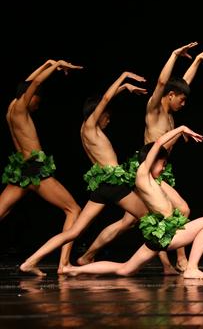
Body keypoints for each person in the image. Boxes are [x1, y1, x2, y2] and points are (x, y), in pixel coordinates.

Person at [77, 42, 203, 271]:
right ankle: (180, 259)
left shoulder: (170, 112)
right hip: (148, 171)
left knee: (128, 222)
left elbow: (183, 83)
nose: (183, 104)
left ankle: (88, 256)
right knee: (180, 210)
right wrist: (174, 54)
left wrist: (196, 61)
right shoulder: (154, 109)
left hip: (159, 170)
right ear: (170, 96)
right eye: (181, 99)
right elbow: (163, 83)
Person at [19, 71, 177, 275]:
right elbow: (105, 99)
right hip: (113, 184)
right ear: (97, 114)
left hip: (102, 186)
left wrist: (123, 89)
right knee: (153, 216)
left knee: (75, 231)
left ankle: (30, 262)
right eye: (107, 116)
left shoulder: (84, 129)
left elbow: (104, 100)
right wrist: (123, 77)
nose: (108, 121)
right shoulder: (90, 126)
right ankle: (160, 264)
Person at [62, 125, 203, 280]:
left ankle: (73, 270)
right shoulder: (143, 175)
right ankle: (191, 268)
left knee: (124, 269)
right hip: (167, 235)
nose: (164, 168)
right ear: (151, 161)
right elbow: (159, 143)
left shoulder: (154, 181)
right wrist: (182, 129)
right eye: (162, 164)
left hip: (158, 237)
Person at [1, 59, 82, 273]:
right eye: (37, 98)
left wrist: (48, 63)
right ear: (30, 96)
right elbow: (35, 84)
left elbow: (28, 83)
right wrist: (56, 66)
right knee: (73, 209)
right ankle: (64, 264)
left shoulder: (11, 107)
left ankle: (62, 263)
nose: (38, 103)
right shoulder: (20, 109)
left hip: (21, 169)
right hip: (34, 169)